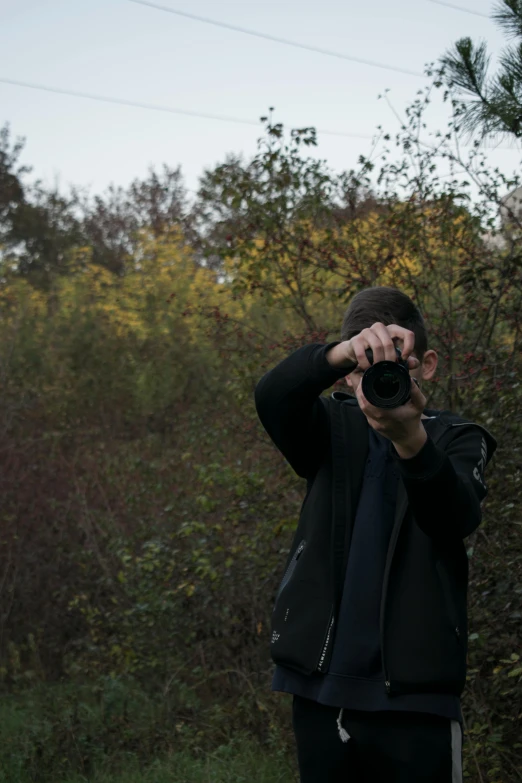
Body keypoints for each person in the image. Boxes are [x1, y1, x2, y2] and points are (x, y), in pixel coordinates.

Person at [254, 286, 496, 783]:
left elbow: (452, 518)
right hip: (319, 693)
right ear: (346, 374)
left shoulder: (458, 439)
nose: (379, 382)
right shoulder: (329, 429)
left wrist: (411, 439)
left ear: (426, 365)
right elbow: (272, 396)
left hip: (417, 701)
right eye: (365, 368)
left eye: (396, 367)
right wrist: (340, 350)